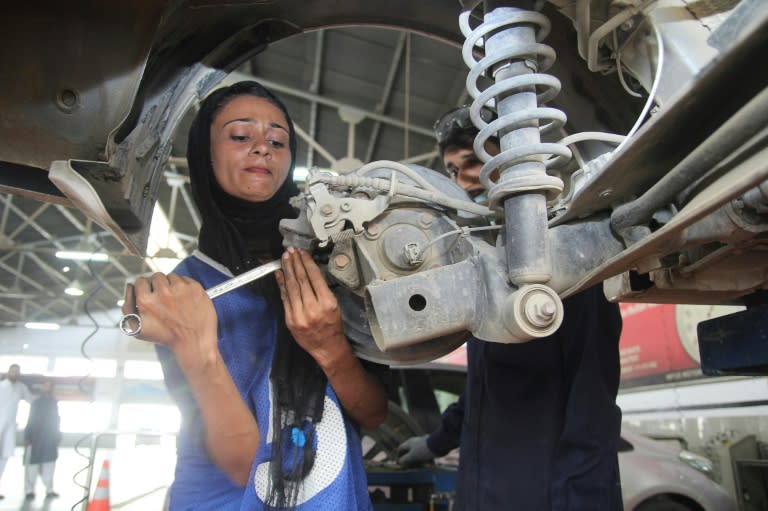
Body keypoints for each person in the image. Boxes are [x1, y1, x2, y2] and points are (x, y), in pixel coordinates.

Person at [122, 80, 388, 511]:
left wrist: (330, 348)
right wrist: (197, 350)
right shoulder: (182, 293)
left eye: (278, 140)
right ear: (205, 156)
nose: (263, 147)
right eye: (241, 136)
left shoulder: (337, 270)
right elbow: (243, 466)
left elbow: (374, 412)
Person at [396, 105, 624, 511]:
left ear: (512, 160)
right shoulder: (491, 269)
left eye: (473, 162)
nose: (463, 181)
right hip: (481, 492)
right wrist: (436, 443)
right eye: (452, 171)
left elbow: (593, 402)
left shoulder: (568, 262)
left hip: (546, 495)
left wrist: (580, 499)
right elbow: (481, 387)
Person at [0, 363, 33, 500]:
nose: (15, 373)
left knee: (4, 457)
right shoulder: (1, 386)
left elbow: (31, 400)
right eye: (12, 371)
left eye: (17, 371)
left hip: (9, 430)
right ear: (8, 372)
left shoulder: (21, 387)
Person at [23, 380, 61, 500]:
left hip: (50, 438)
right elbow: (30, 419)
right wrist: (28, 436)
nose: (47, 388)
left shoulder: (54, 403)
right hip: (35, 437)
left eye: (49, 386)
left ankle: (49, 489)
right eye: (45, 385)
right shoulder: (37, 403)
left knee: (49, 464)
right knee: (32, 465)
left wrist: (57, 436)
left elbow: (56, 421)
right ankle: (29, 489)